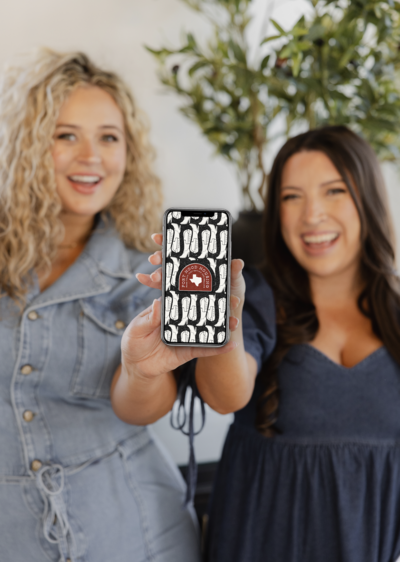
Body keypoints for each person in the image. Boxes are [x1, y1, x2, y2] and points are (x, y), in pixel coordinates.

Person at [133, 125, 400, 562]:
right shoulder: (257, 297)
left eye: (334, 191)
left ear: (368, 197)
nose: (311, 214)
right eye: (291, 197)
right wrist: (227, 322)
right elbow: (226, 396)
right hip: (261, 539)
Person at [0, 48, 201, 562]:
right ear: (26, 145)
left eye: (109, 137)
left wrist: (140, 370)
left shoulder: (151, 269)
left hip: (135, 534)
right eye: (66, 135)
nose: (91, 156)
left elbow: (143, 408)